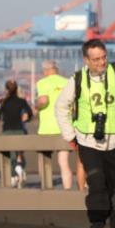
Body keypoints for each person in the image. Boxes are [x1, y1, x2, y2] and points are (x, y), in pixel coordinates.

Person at [56, 39, 115, 228]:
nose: (101, 63)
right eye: (96, 59)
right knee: (96, 182)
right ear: (86, 60)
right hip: (88, 141)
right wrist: (69, 135)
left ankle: (104, 215)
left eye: (104, 58)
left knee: (109, 186)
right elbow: (61, 107)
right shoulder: (77, 80)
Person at [35, 61, 73, 190]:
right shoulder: (68, 82)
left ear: (46, 71)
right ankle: (67, 190)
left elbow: (44, 100)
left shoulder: (42, 83)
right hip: (65, 127)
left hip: (46, 128)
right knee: (64, 162)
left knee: (44, 161)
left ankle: (46, 188)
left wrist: (36, 106)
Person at [0, 80, 33, 188]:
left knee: (11, 156)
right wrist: (25, 117)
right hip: (19, 130)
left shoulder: (3, 102)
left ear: (6, 89)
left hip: (7, 130)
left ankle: (14, 175)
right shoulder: (22, 101)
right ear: (17, 89)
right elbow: (29, 113)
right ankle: (20, 169)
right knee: (19, 154)